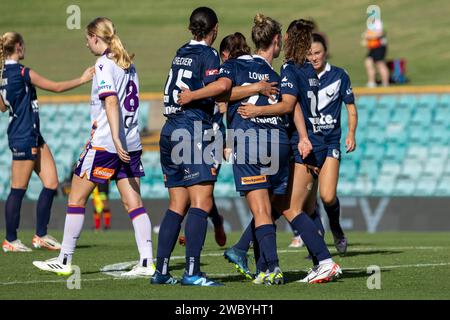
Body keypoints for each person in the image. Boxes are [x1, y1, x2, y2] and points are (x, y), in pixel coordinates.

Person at [32, 17, 155, 278]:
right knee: (133, 202)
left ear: (97, 38)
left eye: (88, 39)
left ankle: (64, 261)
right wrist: (123, 140)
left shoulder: (103, 64)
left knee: (76, 198)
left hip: (107, 144)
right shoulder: (128, 64)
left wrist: (115, 139)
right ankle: (147, 262)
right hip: (130, 143)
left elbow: (111, 103)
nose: (86, 43)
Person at [179, 14, 288, 285]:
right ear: (276, 41)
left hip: (249, 141)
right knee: (271, 209)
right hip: (277, 142)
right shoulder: (275, 74)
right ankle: (261, 264)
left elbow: (220, 93)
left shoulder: (233, 65)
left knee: (262, 209)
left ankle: (271, 267)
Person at [237, 19, 342, 284]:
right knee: (278, 206)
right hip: (313, 142)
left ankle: (324, 261)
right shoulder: (308, 70)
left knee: (289, 208)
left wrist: (256, 110)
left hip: (302, 144)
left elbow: (288, 105)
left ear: (287, 41)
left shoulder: (289, 68)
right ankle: (259, 263)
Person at [151, 7, 226, 286]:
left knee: (177, 204)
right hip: (192, 129)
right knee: (202, 202)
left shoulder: (180, 51)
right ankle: (193, 272)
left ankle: (161, 271)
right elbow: (219, 87)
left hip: (169, 129)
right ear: (214, 28)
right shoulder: (209, 54)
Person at [0, 32, 94, 252]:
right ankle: (11, 240)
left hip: (33, 135)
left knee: (51, 184)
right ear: (19, 47)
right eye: (23, 45)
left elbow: (3, 107)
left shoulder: (5, 74)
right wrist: (82, 79)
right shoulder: (22, 72)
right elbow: (55, 87)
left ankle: (41, 235)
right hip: (23, 136)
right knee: (18, 189)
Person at [307, 33, 357, 254]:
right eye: (309, 53)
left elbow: (351, 109)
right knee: (306, 202)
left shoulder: (339, 75)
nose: (313, 57)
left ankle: (336, 228)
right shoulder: (300, 74)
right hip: (307, 145)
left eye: (317, 53)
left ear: (325, 52)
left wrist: (351, 133)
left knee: (327, 196)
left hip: (329, 143)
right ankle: (317, 244)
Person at [362, 17, 389, 87]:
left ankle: (385, 83)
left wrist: (368, 36)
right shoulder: (370, 23)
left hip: (379, 47)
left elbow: (380, 33)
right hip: (373, 48)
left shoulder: (378, 22)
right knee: (368, 62)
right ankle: (372, 82)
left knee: (380, 64)